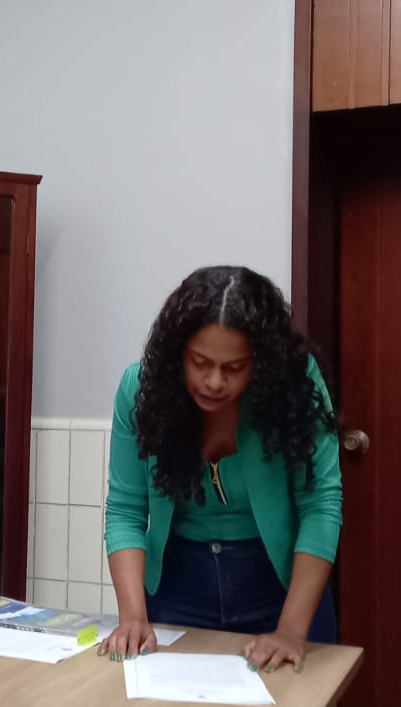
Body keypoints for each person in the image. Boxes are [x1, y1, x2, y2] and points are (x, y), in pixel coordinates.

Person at [99, 265, 343, 674]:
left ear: (262, 364)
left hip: (280, 586)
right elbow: (125, 509)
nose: (214, 382)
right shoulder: (140, 390)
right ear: (178, 353)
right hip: (178, 585)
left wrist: (290, 631)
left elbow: (321, 504)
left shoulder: (296, 385)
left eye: (234, 368)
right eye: (200, 363)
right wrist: (133, 618)